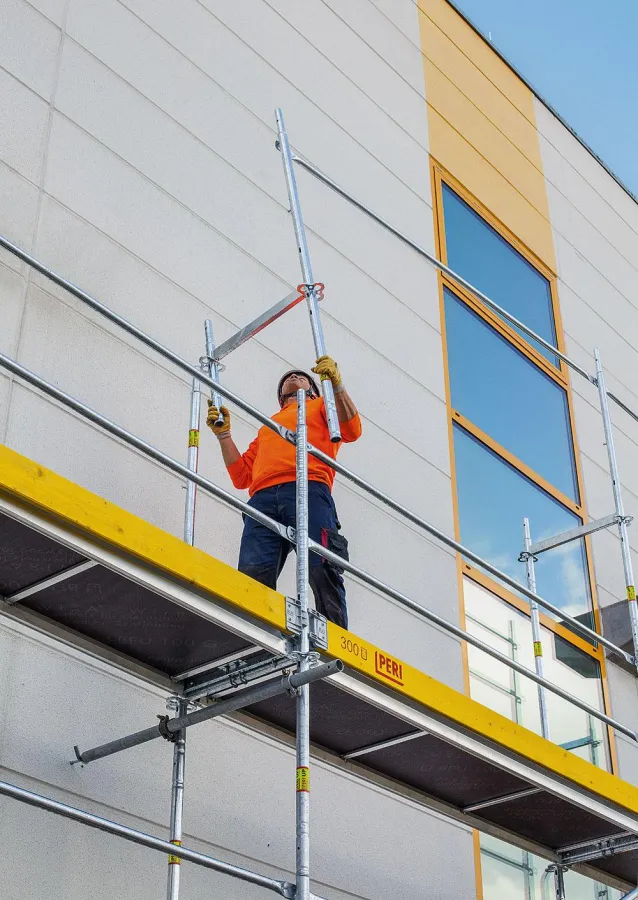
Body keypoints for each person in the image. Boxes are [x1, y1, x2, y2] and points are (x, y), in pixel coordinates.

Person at [206, 356, 361, 629]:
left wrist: (336, 385)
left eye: (300, 376)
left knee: (322, 567)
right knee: (253, 574)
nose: (292, 376)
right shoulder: (269, 426)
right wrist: (224, 436)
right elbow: (241, 475)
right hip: (262, 498)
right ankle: (256, 634)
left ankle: (336, 641)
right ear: (281, 397)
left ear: (312, 388)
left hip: (309, 487)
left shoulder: (322, 407)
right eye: (288, 378)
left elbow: (351, 429)